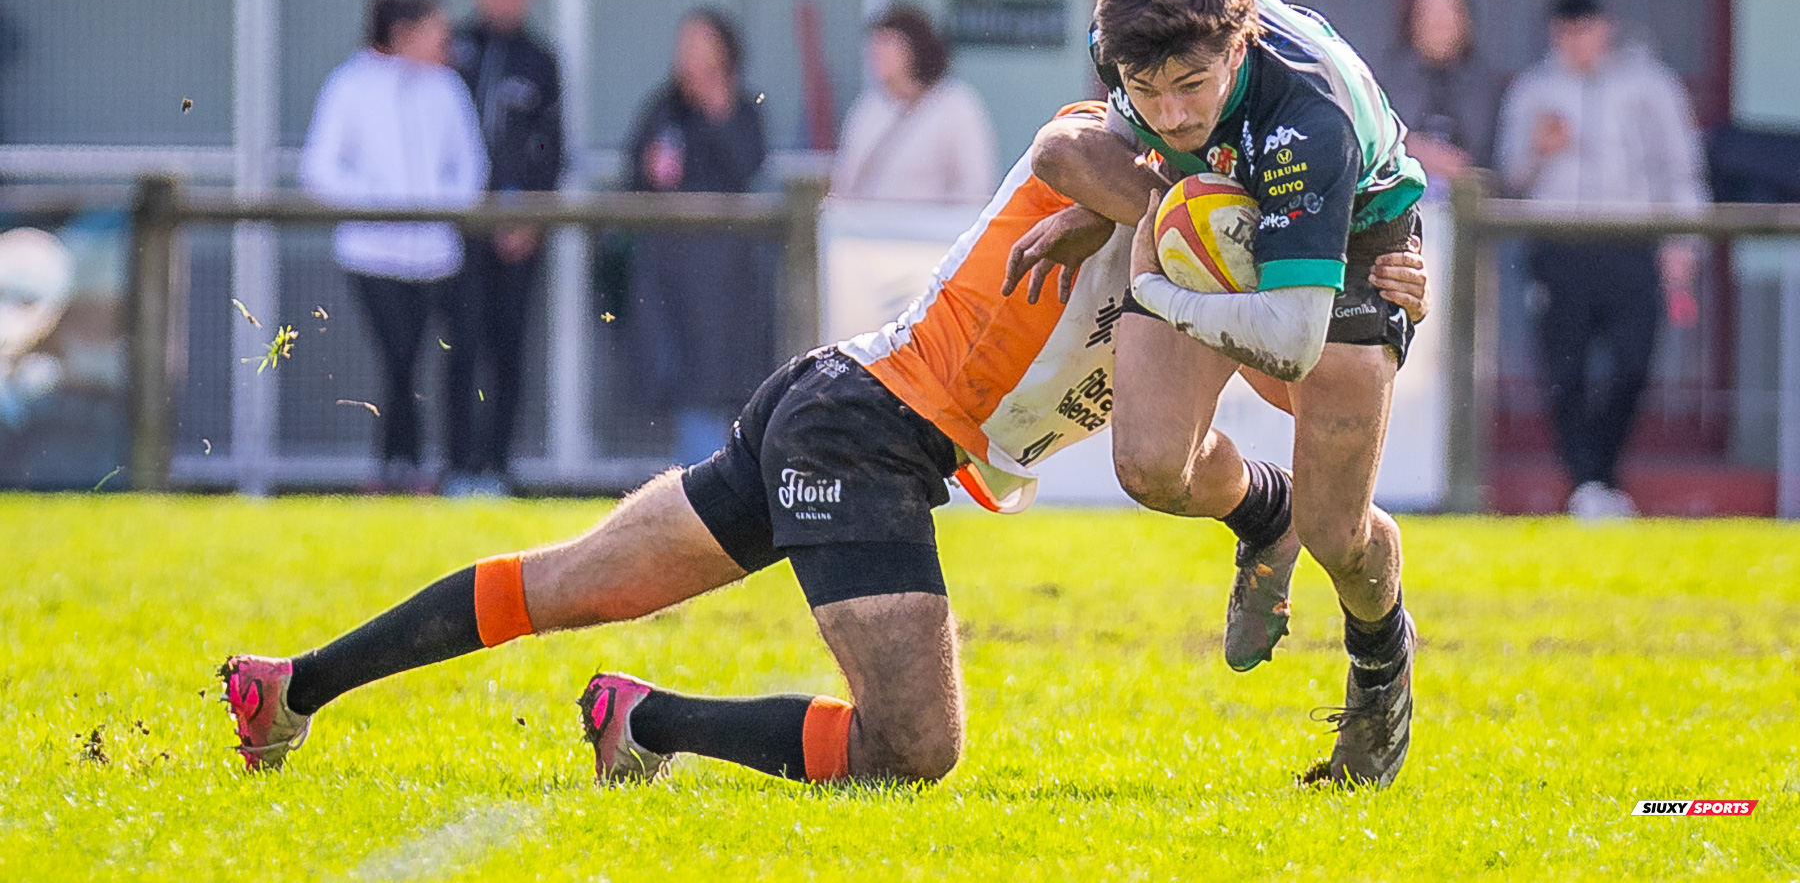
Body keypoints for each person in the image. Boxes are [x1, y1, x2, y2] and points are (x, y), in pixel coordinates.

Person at [218, 101, 1429, 788]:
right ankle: (645, 720)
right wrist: (1163, 185)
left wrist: (1373, 304)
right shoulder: (1130, 164)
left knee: (576, 581)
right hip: (865, 433)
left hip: (837, 399)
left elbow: (1291, 371)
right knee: (911, 751)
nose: (1172, 104)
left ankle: (291, 687)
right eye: (1154, 84)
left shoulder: (1235, 254)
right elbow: (1071, 148)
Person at [1007, 0, 1427, 787]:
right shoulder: (1129, 40)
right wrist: (1106, 211)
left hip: (1349, 249)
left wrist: (1159, 291)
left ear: (1238, 48)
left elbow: (1290, 341)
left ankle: (1382, 673)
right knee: (1152, 466)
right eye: (1144, 87)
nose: (1168, 110)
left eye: (1191, 86)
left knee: (1339, 535)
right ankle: (1262, 512)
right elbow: (1130, 134)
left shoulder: (1310, 119)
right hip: (1225, 205)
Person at [1494, 0, 1707, 520]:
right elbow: (1508, 179)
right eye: (1565, 32)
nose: (1576, 42)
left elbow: (1678, 168)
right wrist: (1538, 151)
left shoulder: (1650, 85)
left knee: (1634, 361)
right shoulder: (1533, 89)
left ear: (1605, 28)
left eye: (1585, 30)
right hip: (1559, 244)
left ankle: (1599, 473)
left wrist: (1683, 243)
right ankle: (1588, 484)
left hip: (1630, 240)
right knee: (1563, 369)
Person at [299, 0, 489, 494]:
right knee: (398, 360)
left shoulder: (447, 88)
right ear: (403, 33)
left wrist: (441, 208)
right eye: (435, 31)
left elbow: (470, 164)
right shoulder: (349, 86)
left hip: (438, 256)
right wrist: (381, 204)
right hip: (372, 256)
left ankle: (455, 470)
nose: (446, 42)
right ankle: (396, 466)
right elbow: (320, 168)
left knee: (455, 357)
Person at [443, 0, 565, 497]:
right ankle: (456, 466)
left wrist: (531, 219)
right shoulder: (454, 51)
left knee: (508, 348)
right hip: (457, 232)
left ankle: (496, 466)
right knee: (459, 345)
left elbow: (551, 145)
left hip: (517, 232)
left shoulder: (541, 60)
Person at [623, 10, 771, 466]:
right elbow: (635, 174)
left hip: (726, 279)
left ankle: (710, 478)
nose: (686, 57)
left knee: (721, 383)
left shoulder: (742, 109)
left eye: (698, 45)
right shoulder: (662, 108)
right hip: (665, 272)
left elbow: (748, 164)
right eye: (681, 45)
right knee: (668, 375)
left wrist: (717, 108)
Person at [830, 5, 998, 204]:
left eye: (889, 44)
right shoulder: (867, 108)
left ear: (915, 49)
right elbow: (846, 180)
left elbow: (975, 184)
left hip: (931, 232)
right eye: (875, 45)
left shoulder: (956, 106)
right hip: (869, 230)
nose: (877, 54)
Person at [1377, 0, 1502, 192]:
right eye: (1429, 15)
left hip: (1468, 206)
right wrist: (1411, 149)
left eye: (1448, 14)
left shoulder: (1486, 85)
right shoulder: (1384, 79)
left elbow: (1497, 161)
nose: (1438, 24)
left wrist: (1460, 167)